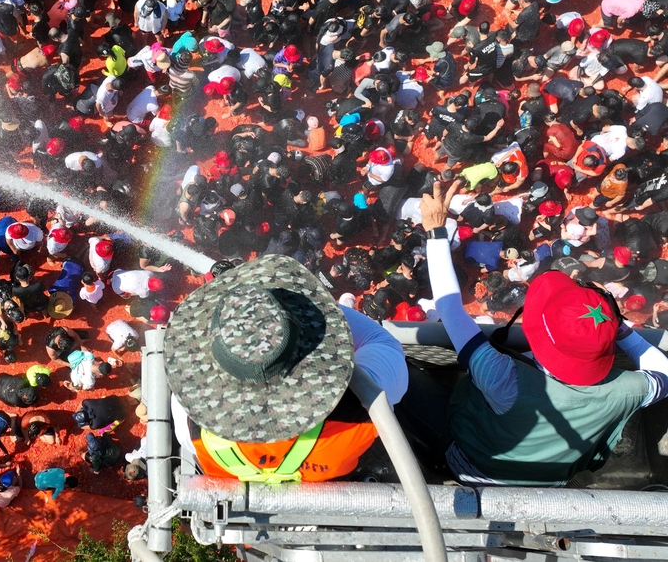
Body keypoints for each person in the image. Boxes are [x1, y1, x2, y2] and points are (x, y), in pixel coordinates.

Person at [396, 181, 668, 486]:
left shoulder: (504, 378)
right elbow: (664, 373)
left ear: (538, 328)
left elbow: (450, 309)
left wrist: (435, 231)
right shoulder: (627, 390)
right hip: (547, 483)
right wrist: (617, 327)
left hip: (471, 464)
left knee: (393, 365)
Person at [166, 252, 406, 482]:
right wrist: (303, 307)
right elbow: (383, 342)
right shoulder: (365, 399)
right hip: (336, 479)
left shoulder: (190, 420)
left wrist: (231, 312)